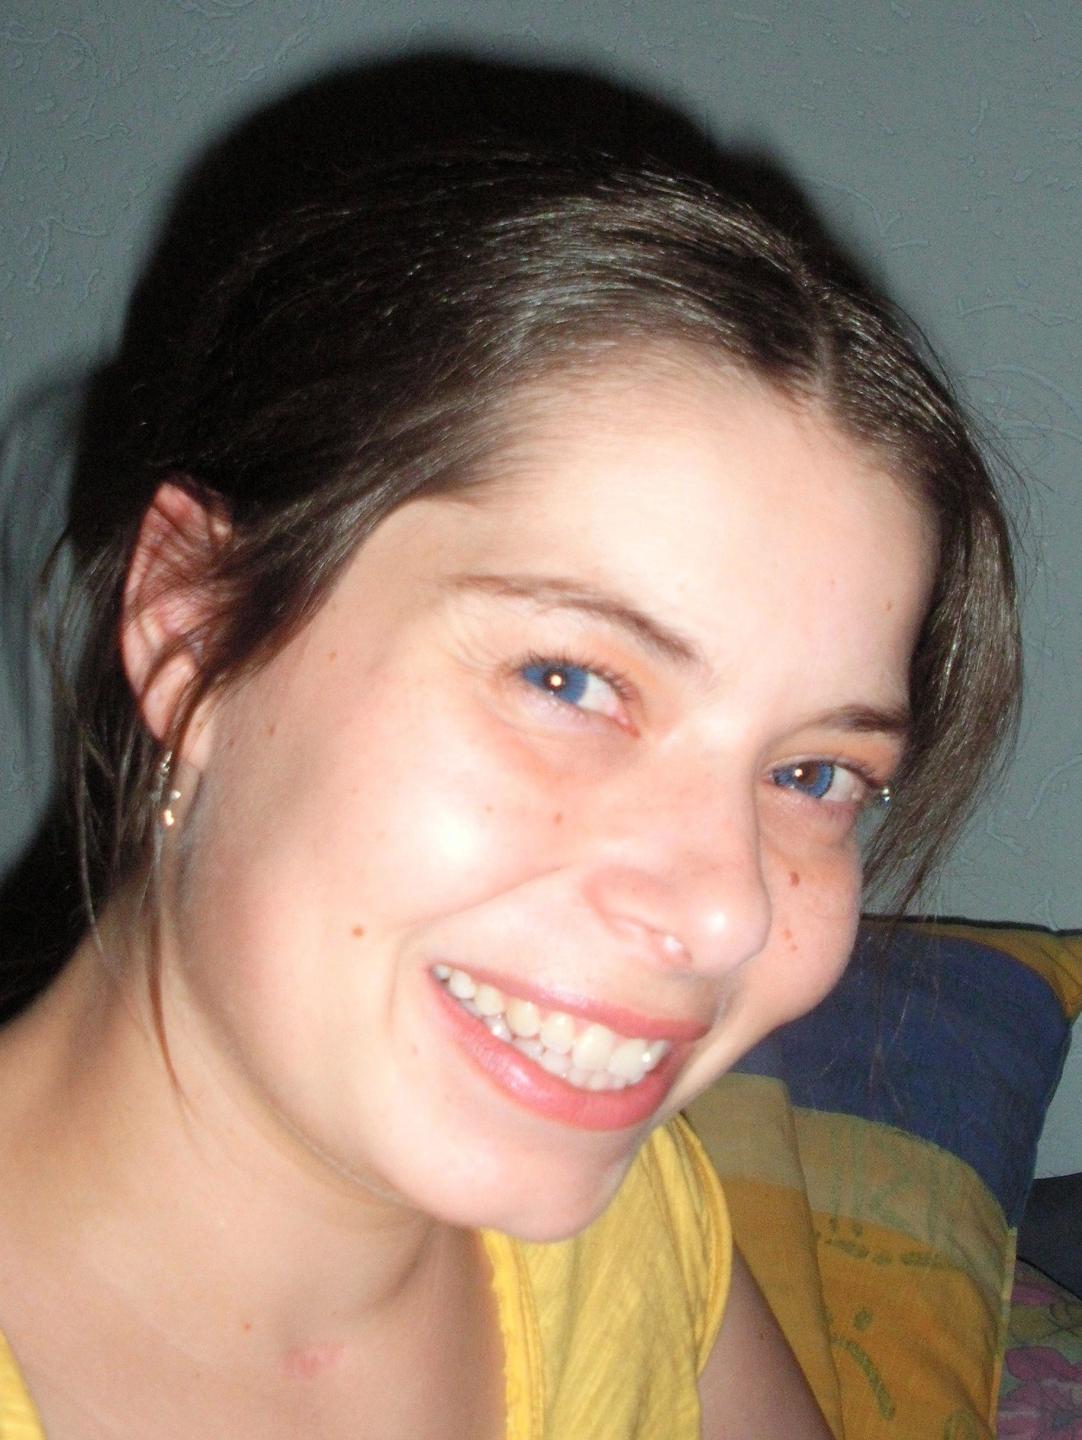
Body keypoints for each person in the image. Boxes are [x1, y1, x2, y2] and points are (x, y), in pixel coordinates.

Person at [0, 144, 1020, 1438]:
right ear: (191, 631)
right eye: (567, 680)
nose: (725, 913)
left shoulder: (633, 1240)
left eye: (812, 774)